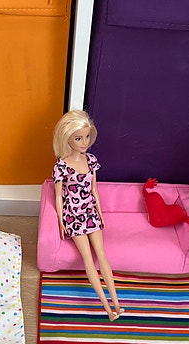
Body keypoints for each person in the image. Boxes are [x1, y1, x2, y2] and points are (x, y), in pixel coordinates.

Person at [52, 109, 124, 321]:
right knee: (88, 259)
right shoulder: (61, 166)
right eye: (78, 138)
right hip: (73, 216)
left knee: (101, 254)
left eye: (86, 137)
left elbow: (94, 190)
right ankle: (107, 308)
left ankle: (117, 302)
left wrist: (100, 213)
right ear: (67, 138)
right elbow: (58, 197)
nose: (84, 142)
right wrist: (62, 221)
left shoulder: (91, 160)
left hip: (90, 212)